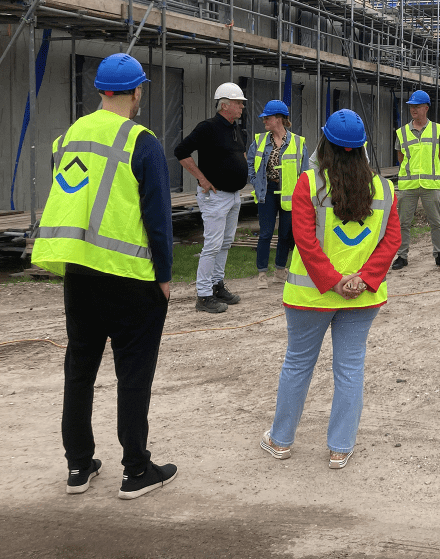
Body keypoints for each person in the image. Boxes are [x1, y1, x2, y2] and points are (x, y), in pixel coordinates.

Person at [32, 53, 177, 500]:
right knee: (133, 375)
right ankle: (136, 470)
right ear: (137, 91)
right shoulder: (143, 141)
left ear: (100, 91)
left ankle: (78, 466)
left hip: (80, 275)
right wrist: (165, 276)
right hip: (132, 277)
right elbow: (158, 216)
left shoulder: (68, 138)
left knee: (79, 370)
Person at [261, 110, 401, 469]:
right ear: (362, 148)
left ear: (325, 144)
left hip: (311, 295)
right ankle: (340, 447)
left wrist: (333, 282)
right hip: (362, 298)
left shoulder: (309, 184)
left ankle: (280, 441)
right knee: (350, 368)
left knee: (297, 365)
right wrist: (364, 279)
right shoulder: (384, 187)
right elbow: (392, 240)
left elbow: (304, 241)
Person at [175, 82, 248, 314]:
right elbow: (181, 151)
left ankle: (217, 285)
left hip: (234, 195)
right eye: (238, 103)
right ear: (224, 104)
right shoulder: (207, 127)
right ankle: (204, 295)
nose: (242, 107)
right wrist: (202, 179)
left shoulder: (235, 128)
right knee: (212, 245)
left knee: (225, 243)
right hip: (215, 197)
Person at [248, 100, 308, 290]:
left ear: (279, 119)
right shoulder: (259, 140)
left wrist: (303, 195)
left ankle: (280, 271)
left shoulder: (298, 142)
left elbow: (304, 172)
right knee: (265, 233)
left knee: (284, 234)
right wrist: (255, 181)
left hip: (290, 195)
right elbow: (251, 162)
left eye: (268, 117)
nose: (264, 120)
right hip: (267, 192)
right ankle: (262, 274)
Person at [392, 89, 440, 270]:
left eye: (417, 106)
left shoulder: (437, 130)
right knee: (403, 223)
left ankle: (439, 255)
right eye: (411, 106)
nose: (413, 109)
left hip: (430, 184)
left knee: (436, 222)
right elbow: (401, 158)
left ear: (426, 108)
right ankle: (402, 256)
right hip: (408, 185)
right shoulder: (402, 132)